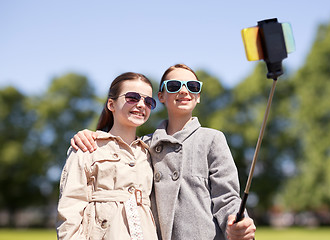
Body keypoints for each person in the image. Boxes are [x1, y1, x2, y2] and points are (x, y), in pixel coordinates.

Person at [71, 64, 256, 240]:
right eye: (174, 86)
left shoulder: (212, 139)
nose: (184, 91)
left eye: (192, 86)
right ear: (161, 96)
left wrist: (237, 222)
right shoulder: (143, 146)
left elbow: (227, 197)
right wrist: (90, 136)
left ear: (198, 96)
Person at [57, 72, 158, 240]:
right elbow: (70, 209)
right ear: (111, 104)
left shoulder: (151, 152)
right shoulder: (87, 147)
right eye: (132, 97)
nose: (141, 105)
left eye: (148, 101)